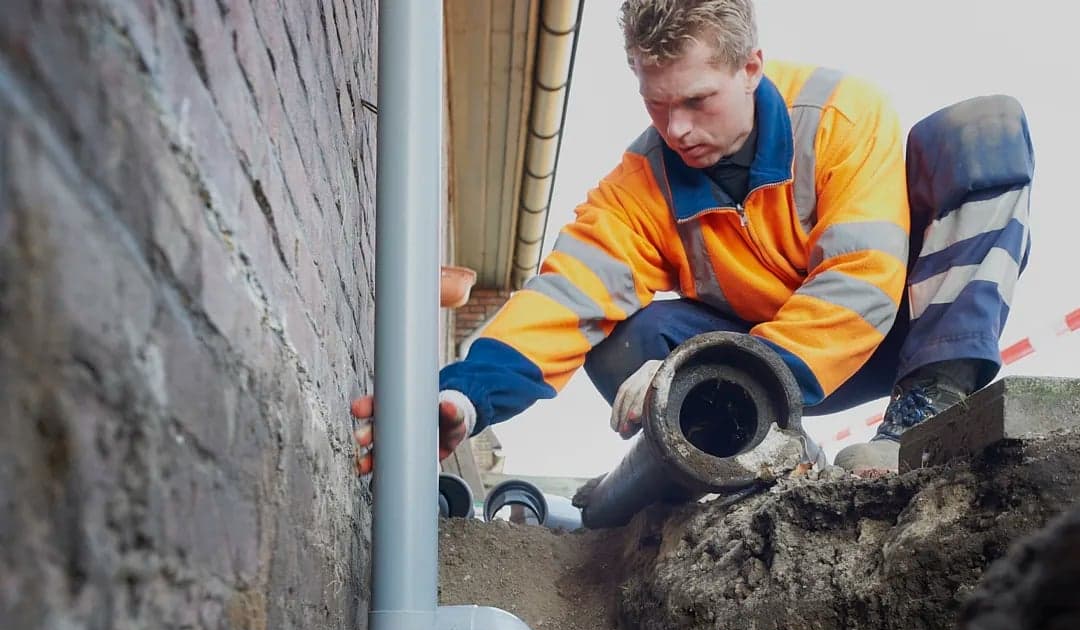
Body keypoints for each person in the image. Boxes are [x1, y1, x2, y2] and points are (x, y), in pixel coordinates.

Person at [353, 0, 1033, 481]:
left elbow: (861, 282)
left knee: (979, 131)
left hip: (894, 332)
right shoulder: (642, 182)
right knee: (624, 345)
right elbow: (561, 299)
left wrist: (721, 365)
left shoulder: (841, 117)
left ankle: (922, 417)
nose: (675, 129)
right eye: (656, 102)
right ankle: (768, 460)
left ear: (751, 67)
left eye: (697, 101)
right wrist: (462, 398)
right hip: (765, 366)